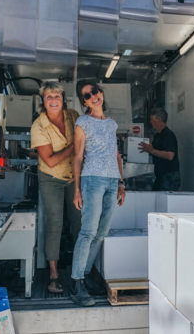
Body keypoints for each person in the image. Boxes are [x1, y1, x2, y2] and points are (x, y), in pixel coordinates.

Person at [70, 80, 126, 307]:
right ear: (84, 101)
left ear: (101, 93)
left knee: (101, 232)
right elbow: (77, 157)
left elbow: (117, 155)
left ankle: (84, 273)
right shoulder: (83, 122)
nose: (93, 96)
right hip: (92, 180)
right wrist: (76, 190)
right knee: (88, 231)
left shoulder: (111, 124)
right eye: (87, 95)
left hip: (112, 181)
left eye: (95, 91)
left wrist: (122, 183)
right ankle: (76, 282)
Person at [30, 81, 80, 294]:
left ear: (63, 99)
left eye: (57, 96)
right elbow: (50, 161)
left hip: (73, 176)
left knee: (79, 222)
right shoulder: (39, 125)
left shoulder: (73, 116)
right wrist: (73, 147)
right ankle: (53, 274)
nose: (53, 100)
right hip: (51, 177)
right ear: (43, 100)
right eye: (49, 97)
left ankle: (81, 271)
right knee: (55, 224)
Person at [139, 107, 181, 191]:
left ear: (157, 120)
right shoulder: (158, 136)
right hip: (160, 176)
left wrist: (152, 150)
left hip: (169, 176)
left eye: (151, 119)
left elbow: (170, 155)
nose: (150, 122)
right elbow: (154, 151)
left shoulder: (168, 134)